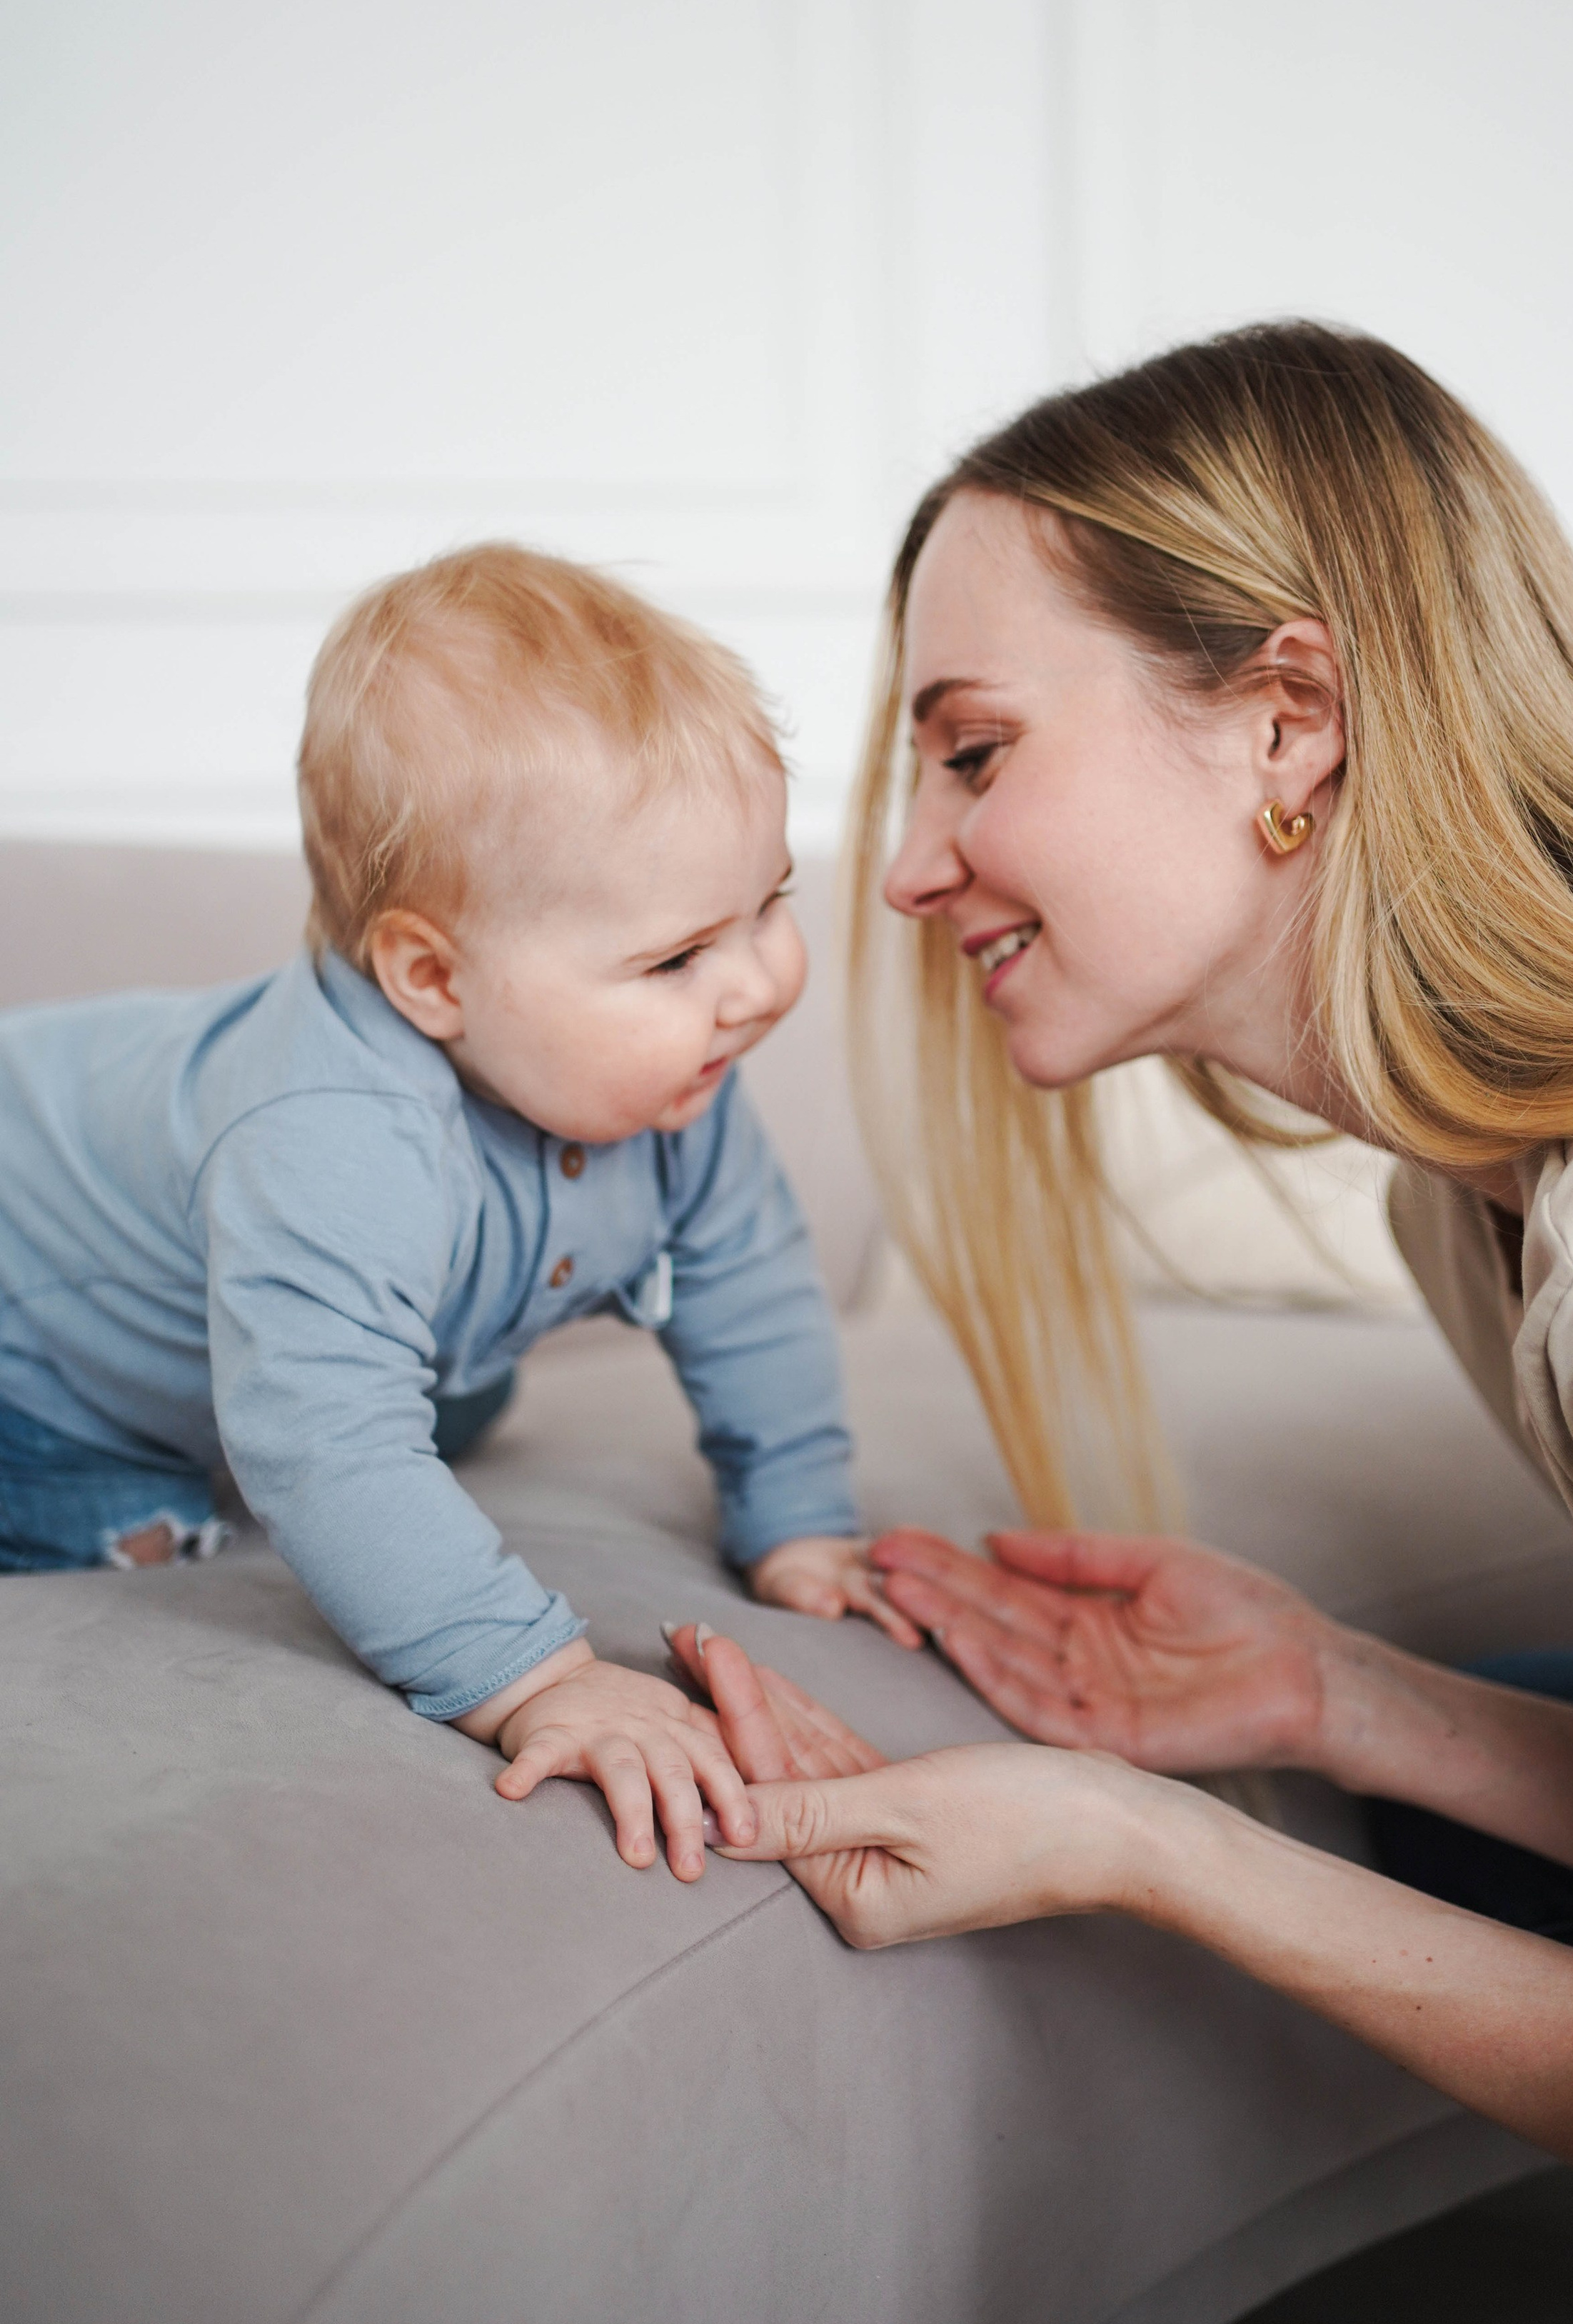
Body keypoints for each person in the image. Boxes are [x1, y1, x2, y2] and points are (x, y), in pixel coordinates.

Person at [675, 326, 1573, 2324]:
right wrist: (1328, 1700)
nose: (916, 864)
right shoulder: (1470, 1204)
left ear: (1290, 717)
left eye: (974, 750)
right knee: (1459, 1782)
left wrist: (1162, 1854)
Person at [0, 543, 919, 1885]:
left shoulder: (678, 1082)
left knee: (451, 1396)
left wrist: (797, 1514)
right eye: (675, 957)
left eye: (768, 904)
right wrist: (538, 1677)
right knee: (130, 1524)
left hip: (326, 1314)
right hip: (37, 1336)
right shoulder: (329, 1133)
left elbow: (750, 1277)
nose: (757, 984)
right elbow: (326, 1445)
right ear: (433, 976)